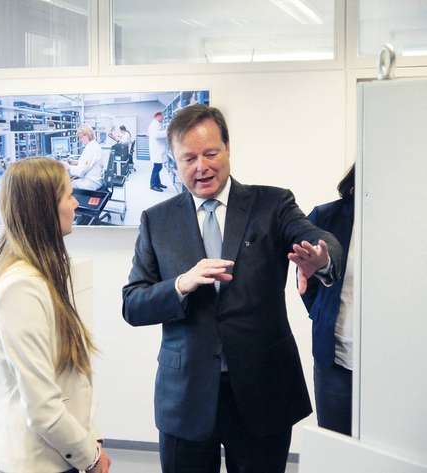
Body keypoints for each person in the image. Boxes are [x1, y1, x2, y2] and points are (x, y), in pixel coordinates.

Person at [122, 104, 342, 473]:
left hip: (262, 389)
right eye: (188, 158)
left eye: (210, 153)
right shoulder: (156, 221)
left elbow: (320, 240)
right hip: (186, 395)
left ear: (228, 148)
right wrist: (179, 285)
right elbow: (133, 304)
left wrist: (320, 259)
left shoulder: (272, 204)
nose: (201, 167)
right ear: (174, 161)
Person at [0, 157, 111, 473]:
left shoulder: (42, 277)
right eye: (68, 195)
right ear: (44, 209)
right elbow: (42, 407)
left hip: (54, 457)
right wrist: (89, 457)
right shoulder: (21, 288)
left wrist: (91, 438)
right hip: (29, 463)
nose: (76, 203)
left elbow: (68, 378)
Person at [299, 164, 355, 436]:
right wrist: (321, 313)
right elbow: (306, 277)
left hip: (394, 365)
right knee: (338, 452)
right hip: (335, 362)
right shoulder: (327, 216)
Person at [67, 125, 104, 190]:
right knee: (71, 180)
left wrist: (67, 167)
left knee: (64, 184)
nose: (80, 140)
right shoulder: (93, 145)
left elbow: (81, 171)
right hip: (93, 179)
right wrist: (75, 162)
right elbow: (87, 164)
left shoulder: (91, 149)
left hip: (91, 182)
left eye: (81, 137)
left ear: (86, 135)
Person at [147, 111, 167, 192]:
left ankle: (158, 183)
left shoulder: (157, 124)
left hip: (158, 150)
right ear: (157, 116)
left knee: (158, 167)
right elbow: (157, 135)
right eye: (162, 116)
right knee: (157, 167)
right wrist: (167, 131)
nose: (163, 118)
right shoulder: (154, 124)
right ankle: (153, 185)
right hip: (157, 150)